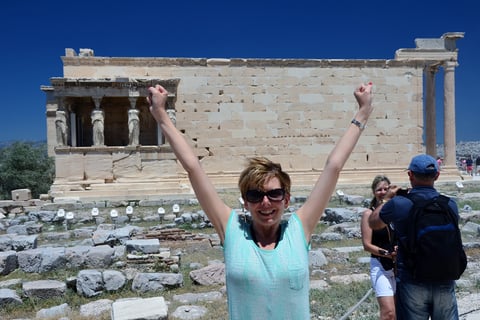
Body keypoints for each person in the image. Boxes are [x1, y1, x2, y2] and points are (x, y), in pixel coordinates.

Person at [147, 82, 373, 319]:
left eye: (274, 194)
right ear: (245, 202)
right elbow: (193, 168)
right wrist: (161, 115)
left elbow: (333, 167)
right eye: (255, 195)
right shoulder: (231, 228)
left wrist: (363, 112)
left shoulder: (300, 228)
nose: (265, 202)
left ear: (286, 198)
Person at [368, 154, 460, 319]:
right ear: (437, 176)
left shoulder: (400, 203)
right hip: (445, 277)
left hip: (412, 278)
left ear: (410, 175)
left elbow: (373, 223)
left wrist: (386, 200)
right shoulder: (450, 204)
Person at [360, 175, 396, 320]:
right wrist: (387, 254)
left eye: (385, 189)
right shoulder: (368, 214)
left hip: (399, 265)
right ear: (374, 192)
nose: (382, 192)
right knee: (388, 313)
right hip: (380, 264)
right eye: (379, 189)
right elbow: (367, 245)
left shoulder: (397, 210)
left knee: (400, 311)